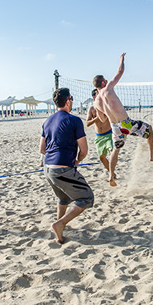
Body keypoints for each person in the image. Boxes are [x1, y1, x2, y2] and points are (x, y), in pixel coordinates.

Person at [93, 53, 153, 187]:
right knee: (149, 130)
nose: (106, 81)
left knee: (115, 151)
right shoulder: (108, 89)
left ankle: (111, 175)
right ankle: (152, 155)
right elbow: (120, 71)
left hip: (115, 127)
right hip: (126, 123)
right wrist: (122, 60)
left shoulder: (96, 103)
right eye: (105, 80)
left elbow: (102, 118)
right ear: (103, 82)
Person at [40, 88, 94, 243]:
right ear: (68, 101)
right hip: (62, 168)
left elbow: (42, 149)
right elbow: (84, 150)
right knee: (87, 198)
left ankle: (60, 225)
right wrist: (77, 160)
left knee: (63, 197)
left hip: (48, 168)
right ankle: (60, 223)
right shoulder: (74, 120)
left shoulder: (47, 121)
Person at [86, 88, 114, 177]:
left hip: (109, 133)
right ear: (94, 96)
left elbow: (105, 118)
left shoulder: (106, 105)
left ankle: (112, 174)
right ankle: (112, 173)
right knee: (102, 157)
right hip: (99, 136)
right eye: (98, 93)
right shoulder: (91, 109)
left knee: (112, 151)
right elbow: (87, 123)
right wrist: (96, 118)